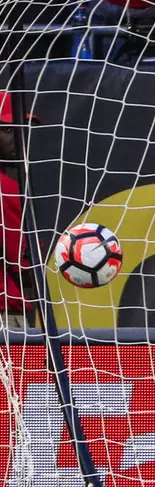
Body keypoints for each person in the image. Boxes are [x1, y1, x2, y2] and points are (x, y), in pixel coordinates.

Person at [0, 90, 34, 329]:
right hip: (5, 313)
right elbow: (24, 268)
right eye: (10, 129)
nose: (20, 137)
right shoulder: (6, 189)